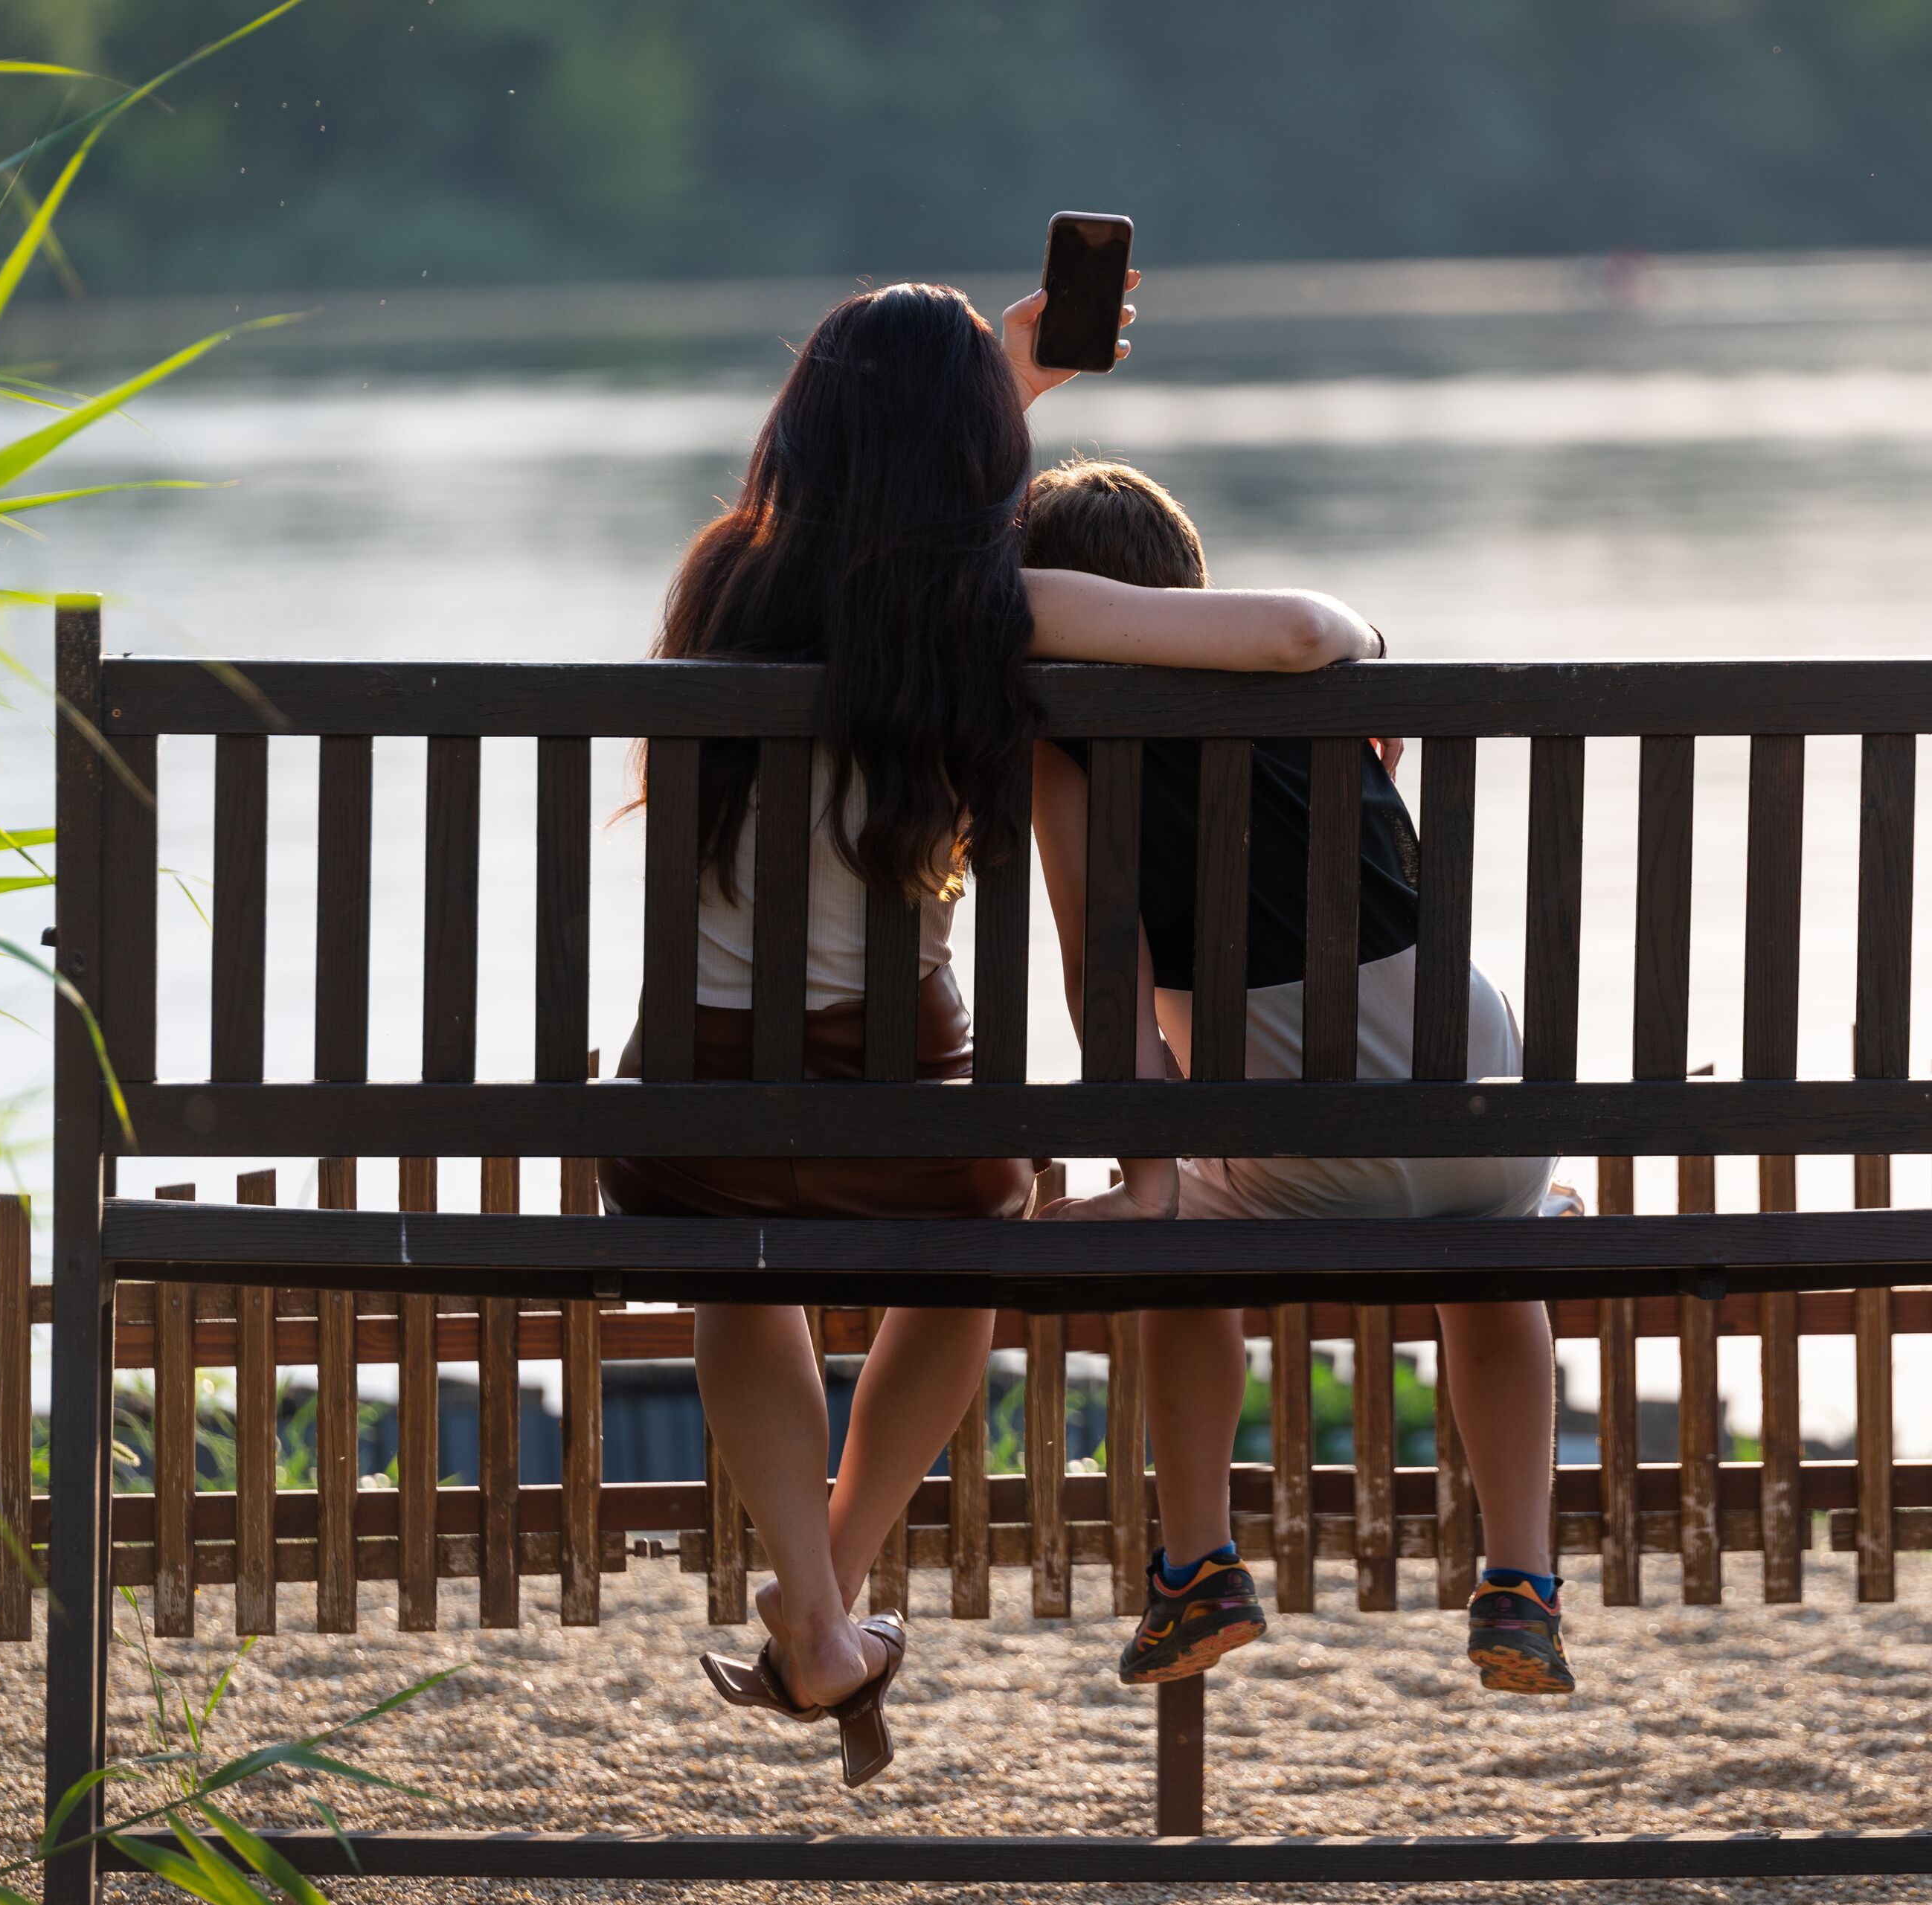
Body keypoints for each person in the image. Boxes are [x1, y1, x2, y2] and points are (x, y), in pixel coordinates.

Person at [600, 283, 1385, 1788]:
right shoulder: (985, 607)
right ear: (968, 451)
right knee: (979, 1236)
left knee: (733, 1264)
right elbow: (1292, 632)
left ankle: (818, 1613)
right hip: (909, 1135)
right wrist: (1364, 631)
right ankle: (822, 1598)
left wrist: (996, 379)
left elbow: (867, 496)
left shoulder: (721, 580)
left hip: (685, 1129)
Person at [1021, 457, 1576, 1697]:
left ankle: (1198, 1567)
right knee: (1504, 1242)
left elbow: (1107, 988)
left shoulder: (1066, 753)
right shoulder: (1302, 673)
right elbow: (1307, 627)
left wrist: (1145, 1185)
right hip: (1488, 1116)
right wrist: (1366, 644)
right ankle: (1521, 1580)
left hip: (1306, 1152)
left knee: (1181, 1237)